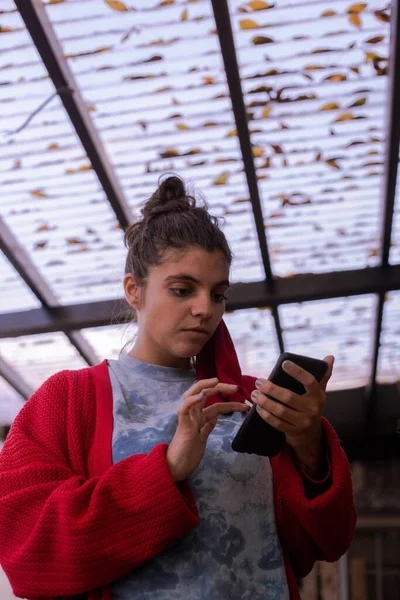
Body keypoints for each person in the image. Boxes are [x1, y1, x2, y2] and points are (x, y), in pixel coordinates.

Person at [0, 176, 356, 600]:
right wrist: (167, 468)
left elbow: (322, 544)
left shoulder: (251, 399)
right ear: (134, 289)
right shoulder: (67, 400)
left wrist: (309, 446)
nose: (205, 309)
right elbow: (26, 552)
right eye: (182, 289)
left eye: (218, 294)